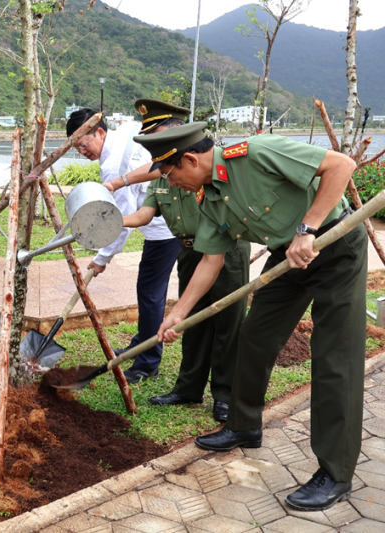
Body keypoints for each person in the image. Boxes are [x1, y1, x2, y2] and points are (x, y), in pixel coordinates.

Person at [136, 122, 363, 512]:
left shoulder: (255, 153)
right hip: (286, 259)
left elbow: (341, 165)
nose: (172, 185)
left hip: (335, 245)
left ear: (190, 159)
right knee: (252, 336)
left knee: (334, 358)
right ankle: (244, 425)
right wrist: (178, 313)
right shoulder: (209, 199)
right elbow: (211, 259)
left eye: (172, 175)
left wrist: (308, 228)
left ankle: (336, 473)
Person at [113, 101, 250, 421]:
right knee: (192, 320)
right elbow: (147, 212)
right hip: (189, 251)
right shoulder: (164, 174)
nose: (155, 150)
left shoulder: (199, 167)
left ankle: (225, 395)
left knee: (227, 322)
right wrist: (116, 220)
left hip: (226, 250)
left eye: (158, 137)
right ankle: (188, 388)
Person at [66, 108, 180, 384]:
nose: (83, 151)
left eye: (84, 144)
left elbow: (120, 221)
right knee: (148, 292)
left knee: (150, 294)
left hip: (165, 231)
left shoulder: (114, 164)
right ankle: (140, 344)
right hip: (163, 223)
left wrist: (102, 258)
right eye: (77, 148)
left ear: (100, 132)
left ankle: (147, 362)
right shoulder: (126, 132)